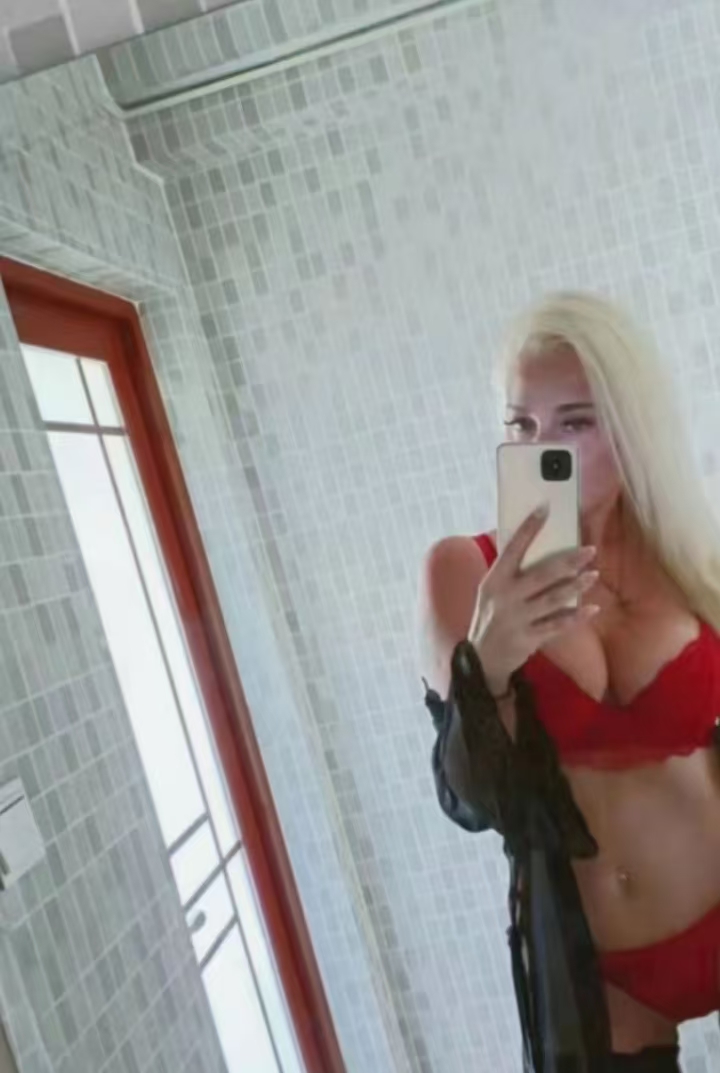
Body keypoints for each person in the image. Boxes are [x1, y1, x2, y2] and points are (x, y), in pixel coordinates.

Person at [421, 291, 720, 1072]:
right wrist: (487, 666)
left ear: (630, 426)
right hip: (600, 981)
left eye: (575, 422)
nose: (541, 449)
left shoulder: (695, 562)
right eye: (520, 424)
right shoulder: (466, 573)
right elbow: (476, 801)